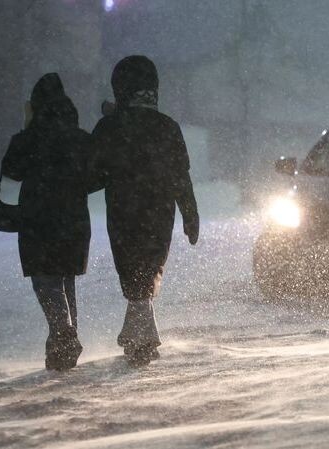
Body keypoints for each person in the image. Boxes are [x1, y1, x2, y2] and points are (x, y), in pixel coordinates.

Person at [90, 55, 199, 366]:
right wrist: (190, 214)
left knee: (131, 269)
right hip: (159, 210)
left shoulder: (109, 127)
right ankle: (140, 337)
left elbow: (91, 174)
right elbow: (181, 177)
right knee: (149, 267)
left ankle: (140, 339)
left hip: (123, 208)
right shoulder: (167, 127)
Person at [2, 73, 93, 371]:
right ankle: (61, 350)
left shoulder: (27, 139)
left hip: (37, 221)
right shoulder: (80, 138)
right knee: (65, 282)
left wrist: (27, 129)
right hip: (74, 220)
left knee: (46, 282)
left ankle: (63, 336)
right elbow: (97, 175)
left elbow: (11, 173)